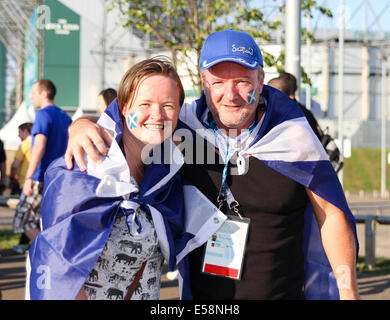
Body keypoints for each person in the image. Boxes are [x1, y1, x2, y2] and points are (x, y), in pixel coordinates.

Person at [64, 30, 359, 300]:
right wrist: (78, 125)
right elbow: (130, 117)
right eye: (218, 82)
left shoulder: (291, 135)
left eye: (242, 81)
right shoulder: (184, 126)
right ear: (204, 83)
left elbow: (331, 213)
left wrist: (348, 293)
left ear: (261, 79)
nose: (230, 95)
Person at [26, 57, 225, 300]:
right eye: (144, 104)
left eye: (168, 106)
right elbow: (56, 268)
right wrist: (80, 124)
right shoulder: (81, 169)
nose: (157, 114)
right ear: (123, 107)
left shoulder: (167, 176)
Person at [20, 79, 71, 242]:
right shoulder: (65, 117)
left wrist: (28, 177)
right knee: (49, 222)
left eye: (34, 93)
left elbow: (39, 145)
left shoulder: (43, 114)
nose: (31, 97)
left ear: (45, 93)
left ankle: (48, 253)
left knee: (24, 220)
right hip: (59, 178)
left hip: (40, 177)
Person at [11, 122, 33, 254]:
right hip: (40, 183)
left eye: (20, 132)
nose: (18, 135)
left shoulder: (24, 144)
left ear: (25, 131)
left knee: (24, 217)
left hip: (25, 184)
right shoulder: (39, 141)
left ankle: (27, 244)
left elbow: (15, 163)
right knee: (33, 217)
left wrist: (9, 175)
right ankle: (24, 243)